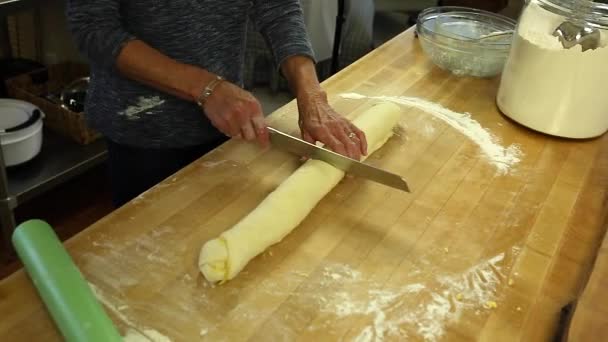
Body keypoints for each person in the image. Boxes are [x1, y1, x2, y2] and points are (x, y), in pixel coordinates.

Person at [66, 0, 368, 207]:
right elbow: (94, 28)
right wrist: (205, 87)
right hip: (144, 130)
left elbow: (278, 7)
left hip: (224, 125)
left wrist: (312, 96)